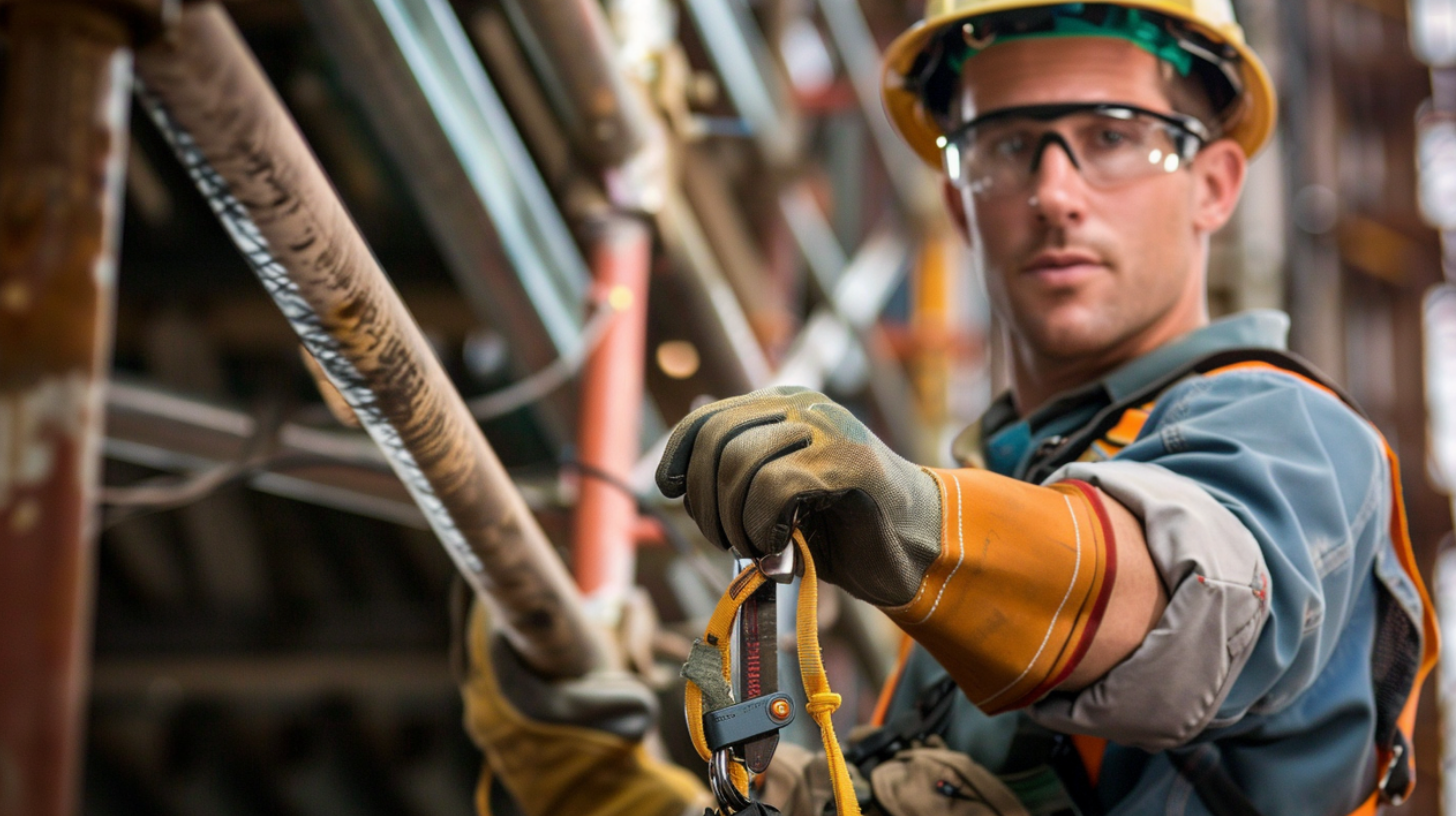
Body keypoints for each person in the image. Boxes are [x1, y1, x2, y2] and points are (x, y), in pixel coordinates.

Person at [458, 2, 1437, 815]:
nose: (1056, 192)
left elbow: (1193, 605)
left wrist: (915, 518)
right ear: (962, 200)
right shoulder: (973, 583)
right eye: (1007, 144)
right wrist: (591, 782)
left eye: (1110, 137)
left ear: (1214, 184)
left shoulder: (1290, 439)